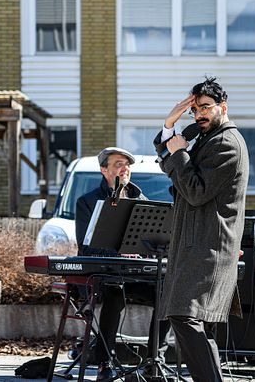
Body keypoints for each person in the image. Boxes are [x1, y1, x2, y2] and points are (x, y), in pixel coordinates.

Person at [154, 76, 249, 382]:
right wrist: (170, 126)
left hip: (209, 246)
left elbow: (195, 191)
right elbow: (177, 173)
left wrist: (180, 152)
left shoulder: (227, 143)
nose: (199, 116)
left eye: (206, 108)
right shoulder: (207, 137)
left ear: (223, 106)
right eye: (194, 110)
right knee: (195, 322)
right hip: (196, 243)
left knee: (184, 316)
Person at [74, 147, 171, 381]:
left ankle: (153, 361)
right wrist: (120, 253)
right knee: (114, 293)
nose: (125, 168)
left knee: (168, 294)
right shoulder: (86, 202)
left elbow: (151, 241)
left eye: (127, 164)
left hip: (136, 276)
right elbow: (86, 247)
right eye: (118, 164)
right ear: (104, 170)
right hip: (103, 277)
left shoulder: (140, 199)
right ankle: (104, 364)